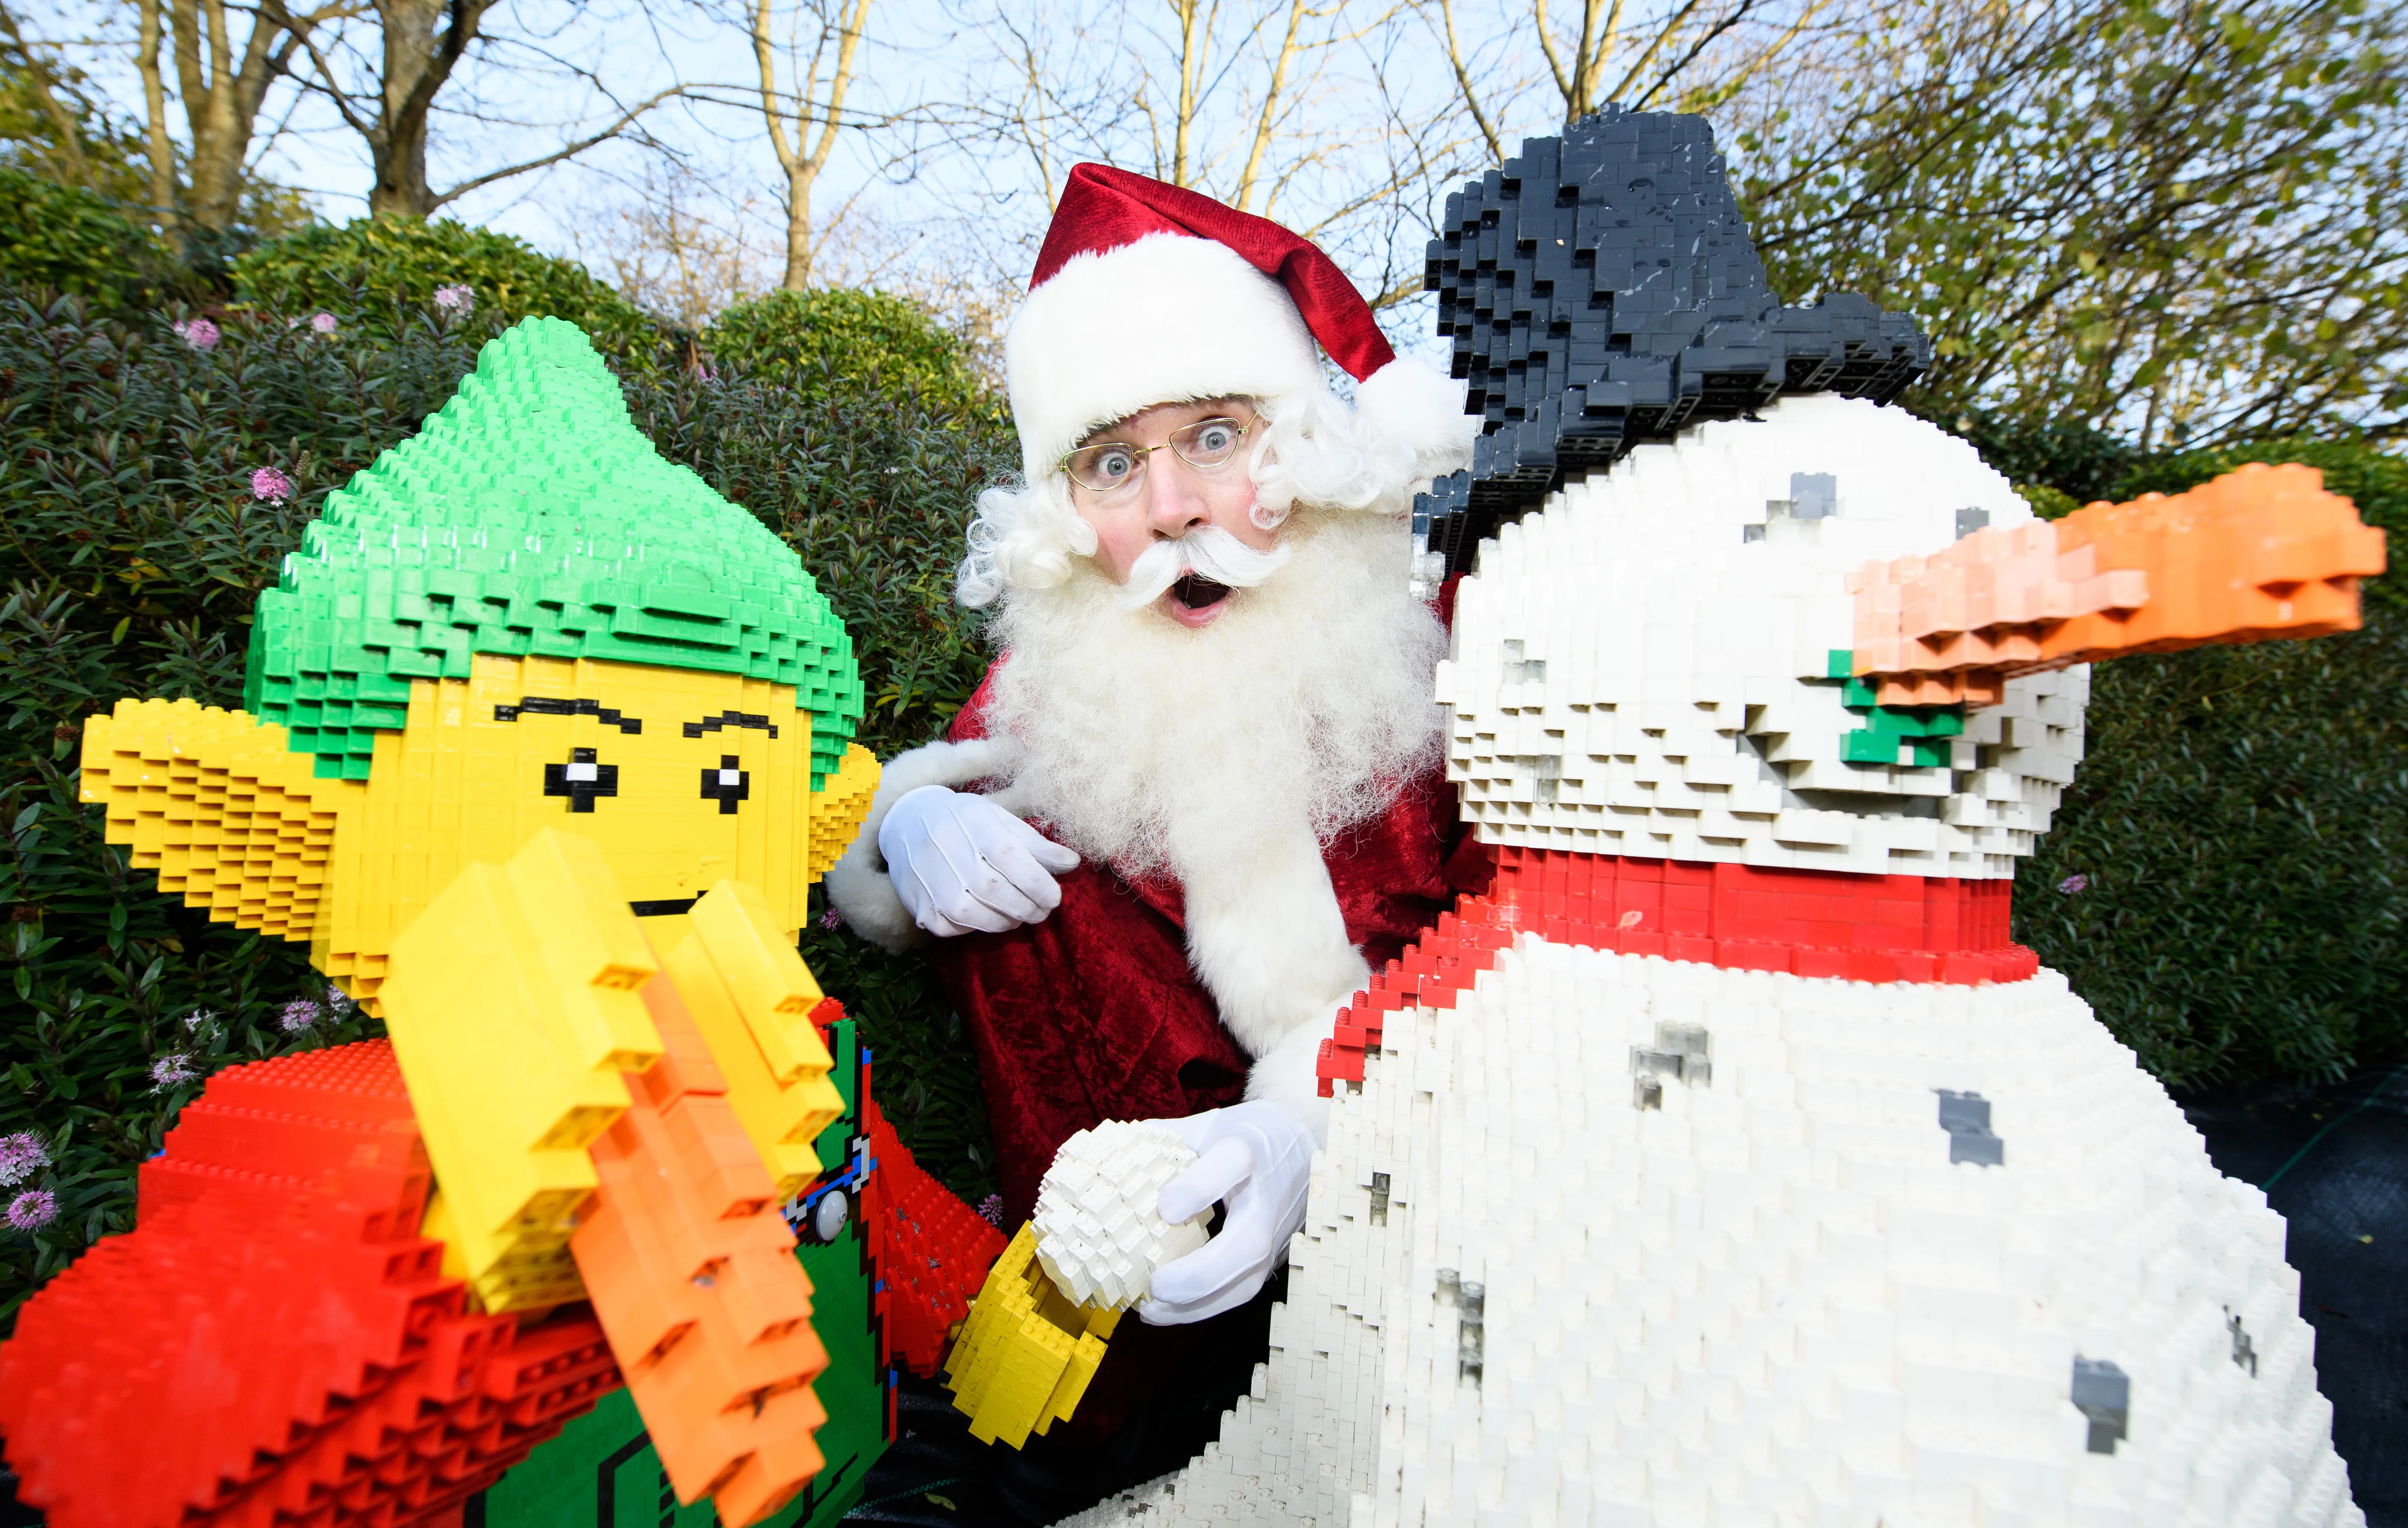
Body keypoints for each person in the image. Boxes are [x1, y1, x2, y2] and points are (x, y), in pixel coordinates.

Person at [823, 165, 1480, 1436]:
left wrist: (1315, 1119)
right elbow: (947, 781)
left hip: (1446, 1191)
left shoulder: (1443, 636)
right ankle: (1112, 1413)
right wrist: (908, 829)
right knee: (1013, 877)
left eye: (1215, 439)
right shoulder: (1069, 668)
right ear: (1065, 515)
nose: (1173, 507)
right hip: (1152, 1261)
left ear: (1302, 444)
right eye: (1115, 463)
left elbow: (1540, 931)